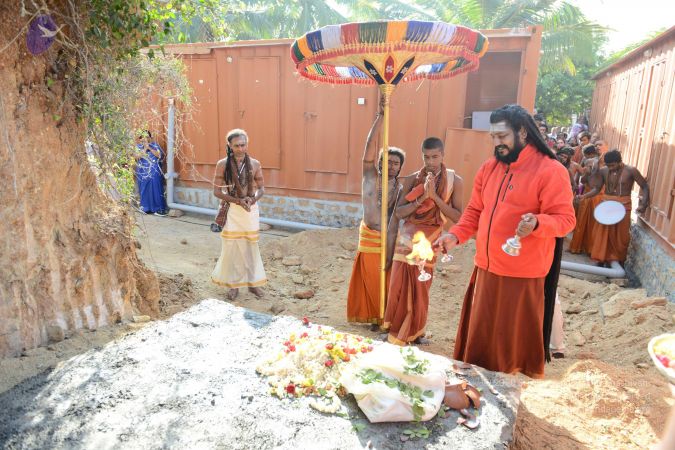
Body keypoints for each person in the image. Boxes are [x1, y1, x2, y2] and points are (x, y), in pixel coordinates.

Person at [435, 104, 576, 379]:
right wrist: (455, 235)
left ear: (522, 132)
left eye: (502, 136)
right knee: (480, 349)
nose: (497, 143)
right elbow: (475, 211)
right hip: (486, 269)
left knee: (509, 356)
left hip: (522, 276)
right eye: (493, 137)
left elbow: (566, 220)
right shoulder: (489, 168)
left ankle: (506, 392)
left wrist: (537, 223)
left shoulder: (551, 170)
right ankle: (480, 390)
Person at [383, 137, 463, 345]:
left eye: (435, 157)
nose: (430, 162)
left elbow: (457, 217)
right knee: (397, 284)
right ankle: (394, 329)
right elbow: (399, 212)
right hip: (407, 235)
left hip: (432, 236)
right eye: (426, 157)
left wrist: (434, 197)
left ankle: (416, 332)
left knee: (421, 286)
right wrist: (421, 198)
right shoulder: (412, 179)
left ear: (442, 155)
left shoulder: (454, 181)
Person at [347, 97, 405, 330]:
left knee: (387, 278)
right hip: (369, 236)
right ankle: (373, 316)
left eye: (396, 163)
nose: (391, 165)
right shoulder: (370, 176)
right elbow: (369, 148)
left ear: (400, 167)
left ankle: (385, 317)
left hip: (387, 238)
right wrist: (381, 117)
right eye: (387, 161)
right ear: (379, 162)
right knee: (371, 278)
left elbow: (397, 218)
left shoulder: (401, 188)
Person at [211, 129, 266, 299]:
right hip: (233, 210)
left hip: (250, 210)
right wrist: (237, 201)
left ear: (247, 144)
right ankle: (233, 285)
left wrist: (252, 200)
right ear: (229, 145)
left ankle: (252, 284)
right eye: (237, 146)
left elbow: (262, 189)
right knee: (232, 248)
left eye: (243, 145)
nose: (241, 149)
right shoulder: (222, 164)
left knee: (251, 247)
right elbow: (217, 192)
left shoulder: (255, 164)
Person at [587, 149, 650, 265]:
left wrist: (643, 204)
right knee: (602, 234)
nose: (610, 168)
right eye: (608, 165)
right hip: (606, 206)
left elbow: (644, 186)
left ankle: (618, 261)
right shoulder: (603, 170)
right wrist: (583, 196)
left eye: (612, 165)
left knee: (621, 236)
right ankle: (601, 259)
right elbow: (596, 188)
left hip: (624, 206)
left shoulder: (631, 170)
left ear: (620, 162)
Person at [569, 145, 602, 254]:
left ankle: (585, 248)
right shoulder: (590, 166)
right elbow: (583, 180)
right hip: (589, 197)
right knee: (585, 223)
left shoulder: (598, 167)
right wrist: (587, 173)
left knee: (588, 223)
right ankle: (582, 248)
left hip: (593, 197)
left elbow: (591, 184)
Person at [134, 130, 167, 216]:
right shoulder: (138, 147)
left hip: (154, 172)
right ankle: (146, 208)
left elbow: (159, 155)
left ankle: (159, 209)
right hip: (143, 173)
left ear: (150, 138)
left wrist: (149, 148)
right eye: (143, 137)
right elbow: (136, 157)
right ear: (140, 139)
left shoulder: (155, 145)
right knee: (144, 190)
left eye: (147, 137)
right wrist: (145, 148)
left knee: (156, 189)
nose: (145, 139)